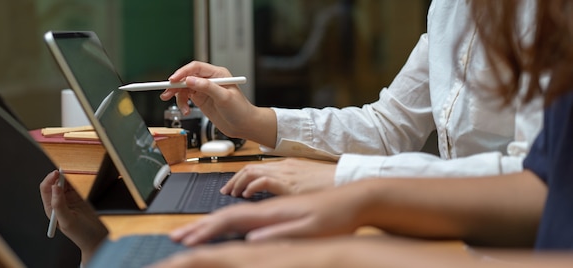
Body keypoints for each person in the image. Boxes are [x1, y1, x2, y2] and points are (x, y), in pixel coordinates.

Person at [159, 0, 543, 198]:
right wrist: (251, 120)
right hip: (459, 227)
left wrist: (346, 178)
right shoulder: (449, 9)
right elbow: (388, 128)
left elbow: (534, 181)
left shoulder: (551, 17)